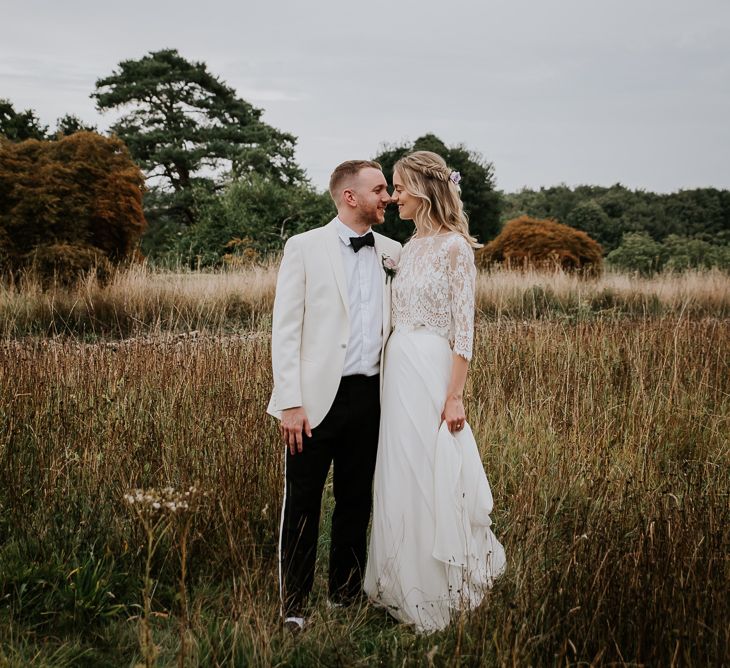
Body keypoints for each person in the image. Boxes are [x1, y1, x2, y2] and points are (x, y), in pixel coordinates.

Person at [363, 150, 506, 633]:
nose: (394, 196)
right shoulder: (407, 247)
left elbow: (463, 329)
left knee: (432, 465)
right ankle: (400, 578)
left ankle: (441, 585)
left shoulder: (454, 248)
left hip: (430, 367)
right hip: (396, 367)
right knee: (400, 467)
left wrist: (454, 395)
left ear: (423, 189)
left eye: (399, 188)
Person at [267, 160, 401, 631]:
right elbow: (285, 330)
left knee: (355, 501)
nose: (387, 196)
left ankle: (345, 596)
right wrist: (290, 401)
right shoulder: (303, 247)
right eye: (379, 189)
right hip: (312, 401)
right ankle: (295, 607)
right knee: (301, 502)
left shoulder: (392, 251)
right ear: (350, 196)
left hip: (371, 398)